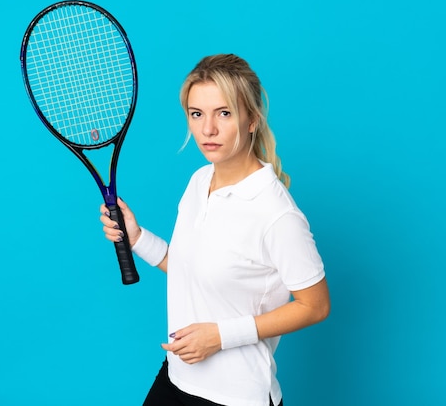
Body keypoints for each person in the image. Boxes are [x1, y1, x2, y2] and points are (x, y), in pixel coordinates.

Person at [100, 54, 330, 406]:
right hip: (178, 376)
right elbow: (193, 269)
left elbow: (315, 306)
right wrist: (138, 239)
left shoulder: (276, 214)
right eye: (197, 114)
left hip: (236, 396)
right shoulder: (199, 180)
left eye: (224, 113)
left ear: (251, 119)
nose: (207, 129)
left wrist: (221, 336)